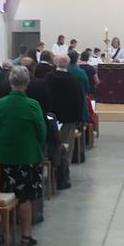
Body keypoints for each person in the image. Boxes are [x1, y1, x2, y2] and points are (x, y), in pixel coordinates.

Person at [0, 65, 46, 246]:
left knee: (1, 195)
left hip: (3, 155)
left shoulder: (1, 103)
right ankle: (25, 236)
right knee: (25, 197)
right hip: (27, 156)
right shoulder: (32, 105)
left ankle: (0, 233)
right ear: (27, 83)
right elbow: (41, 132)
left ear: (10, 82)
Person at [45, 55, 82, 188]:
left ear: (56, 63)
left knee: (52, 145)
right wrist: (79, 119)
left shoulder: (48, 77)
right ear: (68, 64)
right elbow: (79, 99)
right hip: (68, 119)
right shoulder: (73, 79)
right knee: (67, 147)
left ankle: (52, 173)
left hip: (51, 118)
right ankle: (63, 175)